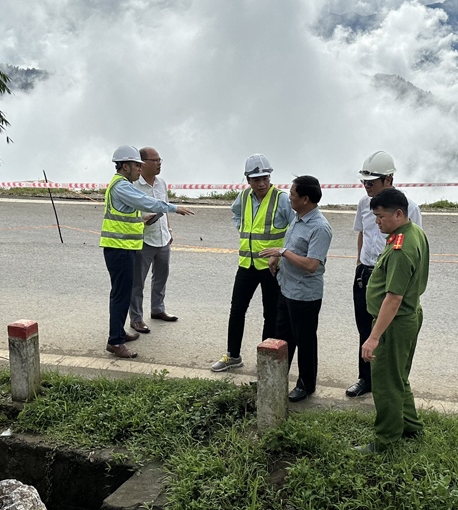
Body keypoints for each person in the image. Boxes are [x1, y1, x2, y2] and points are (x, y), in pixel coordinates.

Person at [101, 146, 194, 359]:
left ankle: (118, 333)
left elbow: (129, 213)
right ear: (125, 166)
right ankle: (115, 342)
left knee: (122, 294)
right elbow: (145, 202)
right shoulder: (122, 186)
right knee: (121, 295)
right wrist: (173, 208)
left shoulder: (122, 184)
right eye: (136, 165)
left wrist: (141, 219)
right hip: (119, 248)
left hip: (124, 247)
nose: (139, 169)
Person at [347, 150, 423, 398]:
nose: (367, 187)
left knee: (386, 332)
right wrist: (359, 263)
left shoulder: (409, 208)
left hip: (390, 277)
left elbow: (413, 243)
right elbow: (363, 233)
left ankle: (388, 383)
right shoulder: (364, 204)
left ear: (388, 179)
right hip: (366, 273)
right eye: (364, 182)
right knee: (365, 328)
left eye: (372, 182)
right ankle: (366, 379)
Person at [359, 187, 429, 451]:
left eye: (381, 217)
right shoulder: (413, 232)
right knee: (399, 377)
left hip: (394, 323)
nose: (377, 222)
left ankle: (386, 440)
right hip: (407, 317)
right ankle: (411, 426)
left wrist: (374, 337)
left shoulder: (401, 249)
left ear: (398, 214)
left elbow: (393, 298)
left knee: (386, 383)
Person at [211, 155, 293, 373]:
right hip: (247, 264)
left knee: (271, 314)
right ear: (248, 180)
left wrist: (280, 252)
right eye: (256, 179)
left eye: (265, 178)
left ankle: (267, 361)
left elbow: (295, 227)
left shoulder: (281, 199)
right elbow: (236, 213)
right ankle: (233, 355)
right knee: (237, 310)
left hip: (271, 267)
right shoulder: (245, 196)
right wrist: (241, 228)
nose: (262, 183)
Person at [260, 175, 332, 402]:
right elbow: (291, 247)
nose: (289, 197)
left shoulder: (320, 227)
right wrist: (278, 258)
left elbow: (311, 265)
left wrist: (282, 252)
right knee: (283, 337)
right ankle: (278, 377)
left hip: (304, 294)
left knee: (305, 341)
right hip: (286, 288)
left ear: (305, 199)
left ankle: (306, 385)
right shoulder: (298, 218)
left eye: (292, 194)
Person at [129, 147, 179, 333]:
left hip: (162, 236)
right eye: (155, 160)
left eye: (160, 160)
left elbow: (165, 208)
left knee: (161, 276)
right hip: (144, 239)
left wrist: (169, 229)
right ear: (143, 164)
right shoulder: (134, 185)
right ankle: (136, 318)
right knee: (137, 281)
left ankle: (158, 309)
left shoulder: (161, 183)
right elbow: (130, 212)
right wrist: (143, 219)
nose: (159, 164)